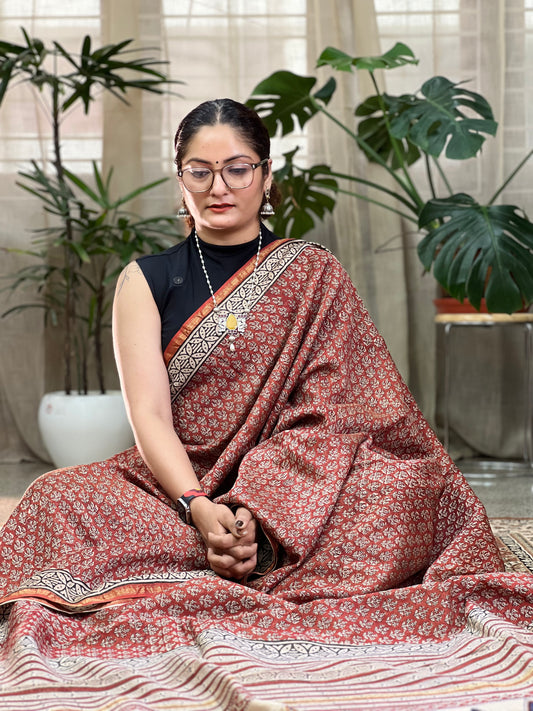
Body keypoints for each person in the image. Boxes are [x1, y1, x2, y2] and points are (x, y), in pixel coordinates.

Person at [0, 98, 522, 676]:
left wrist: (261, 503)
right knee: (55, 499)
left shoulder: (313, 272)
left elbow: (348, 410)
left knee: (407, 486)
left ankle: (256, 547)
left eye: (238, 168)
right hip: (176, 481)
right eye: (200, 171)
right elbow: (148, 414)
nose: (218, 186)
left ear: (266, 175)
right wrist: (199, 504)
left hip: (299, 487)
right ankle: (224, 551)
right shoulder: (145, 280)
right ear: (181, 180)